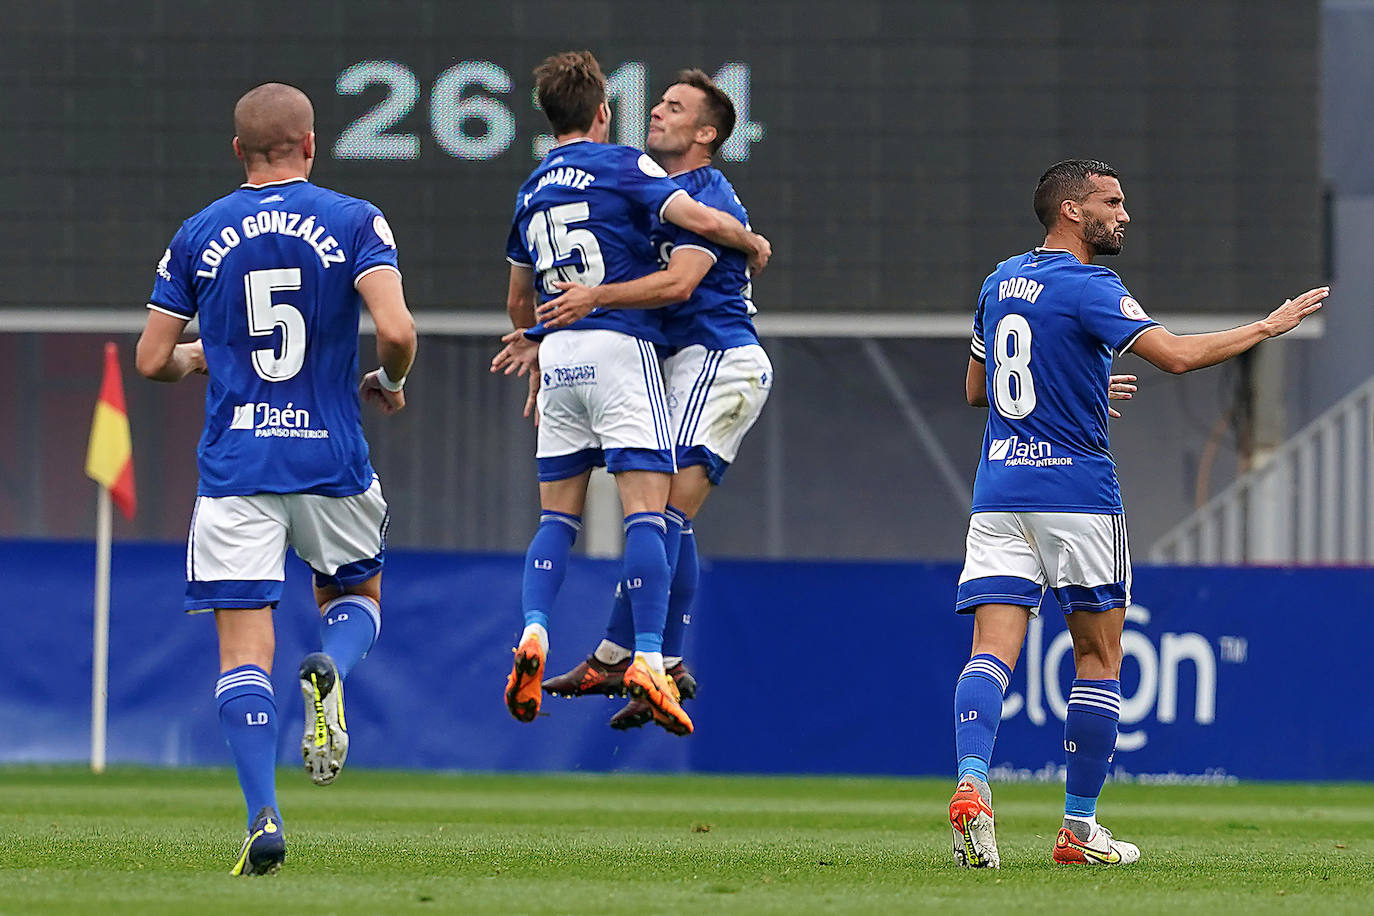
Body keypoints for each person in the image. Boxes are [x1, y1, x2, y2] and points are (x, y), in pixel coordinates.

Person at [948, 158, 1326, 869]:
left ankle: (972, 783)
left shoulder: (999, 280)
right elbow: (1177, 357)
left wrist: (1080, 384)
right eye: (1111, 202)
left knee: (989, 653)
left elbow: (979, 390)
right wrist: (1267, 326)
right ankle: (1078, 830)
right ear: (1070, 211)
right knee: (1098, 657)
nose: (1124, 215)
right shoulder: (1092, 286)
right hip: (1077, 498)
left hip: (998, 494)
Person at [136, 82, 417, 876]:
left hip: (237, 468)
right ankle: (330, 668)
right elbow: (395, 330)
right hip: (329, 458)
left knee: (243, 655)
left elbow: (153, 359)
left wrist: (200, 355)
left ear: (238, 152)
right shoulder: (354, 219)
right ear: (311, 144)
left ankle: (263, 814)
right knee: (356, 600)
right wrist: (391, 378)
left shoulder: (198, 232)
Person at [492, 51, 769, 737]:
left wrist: (564, 317)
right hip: (645, 359)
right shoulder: (630, 182)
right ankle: (645, 658)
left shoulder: (707, 189)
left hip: (719, 359)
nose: (657, 111)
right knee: (665, 515)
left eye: (674, 106)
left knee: (658, 512)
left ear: (707, 133)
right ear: (600, 112)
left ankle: (634, 657)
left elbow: (678, 286)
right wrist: (548, 330)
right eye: (656, 104)